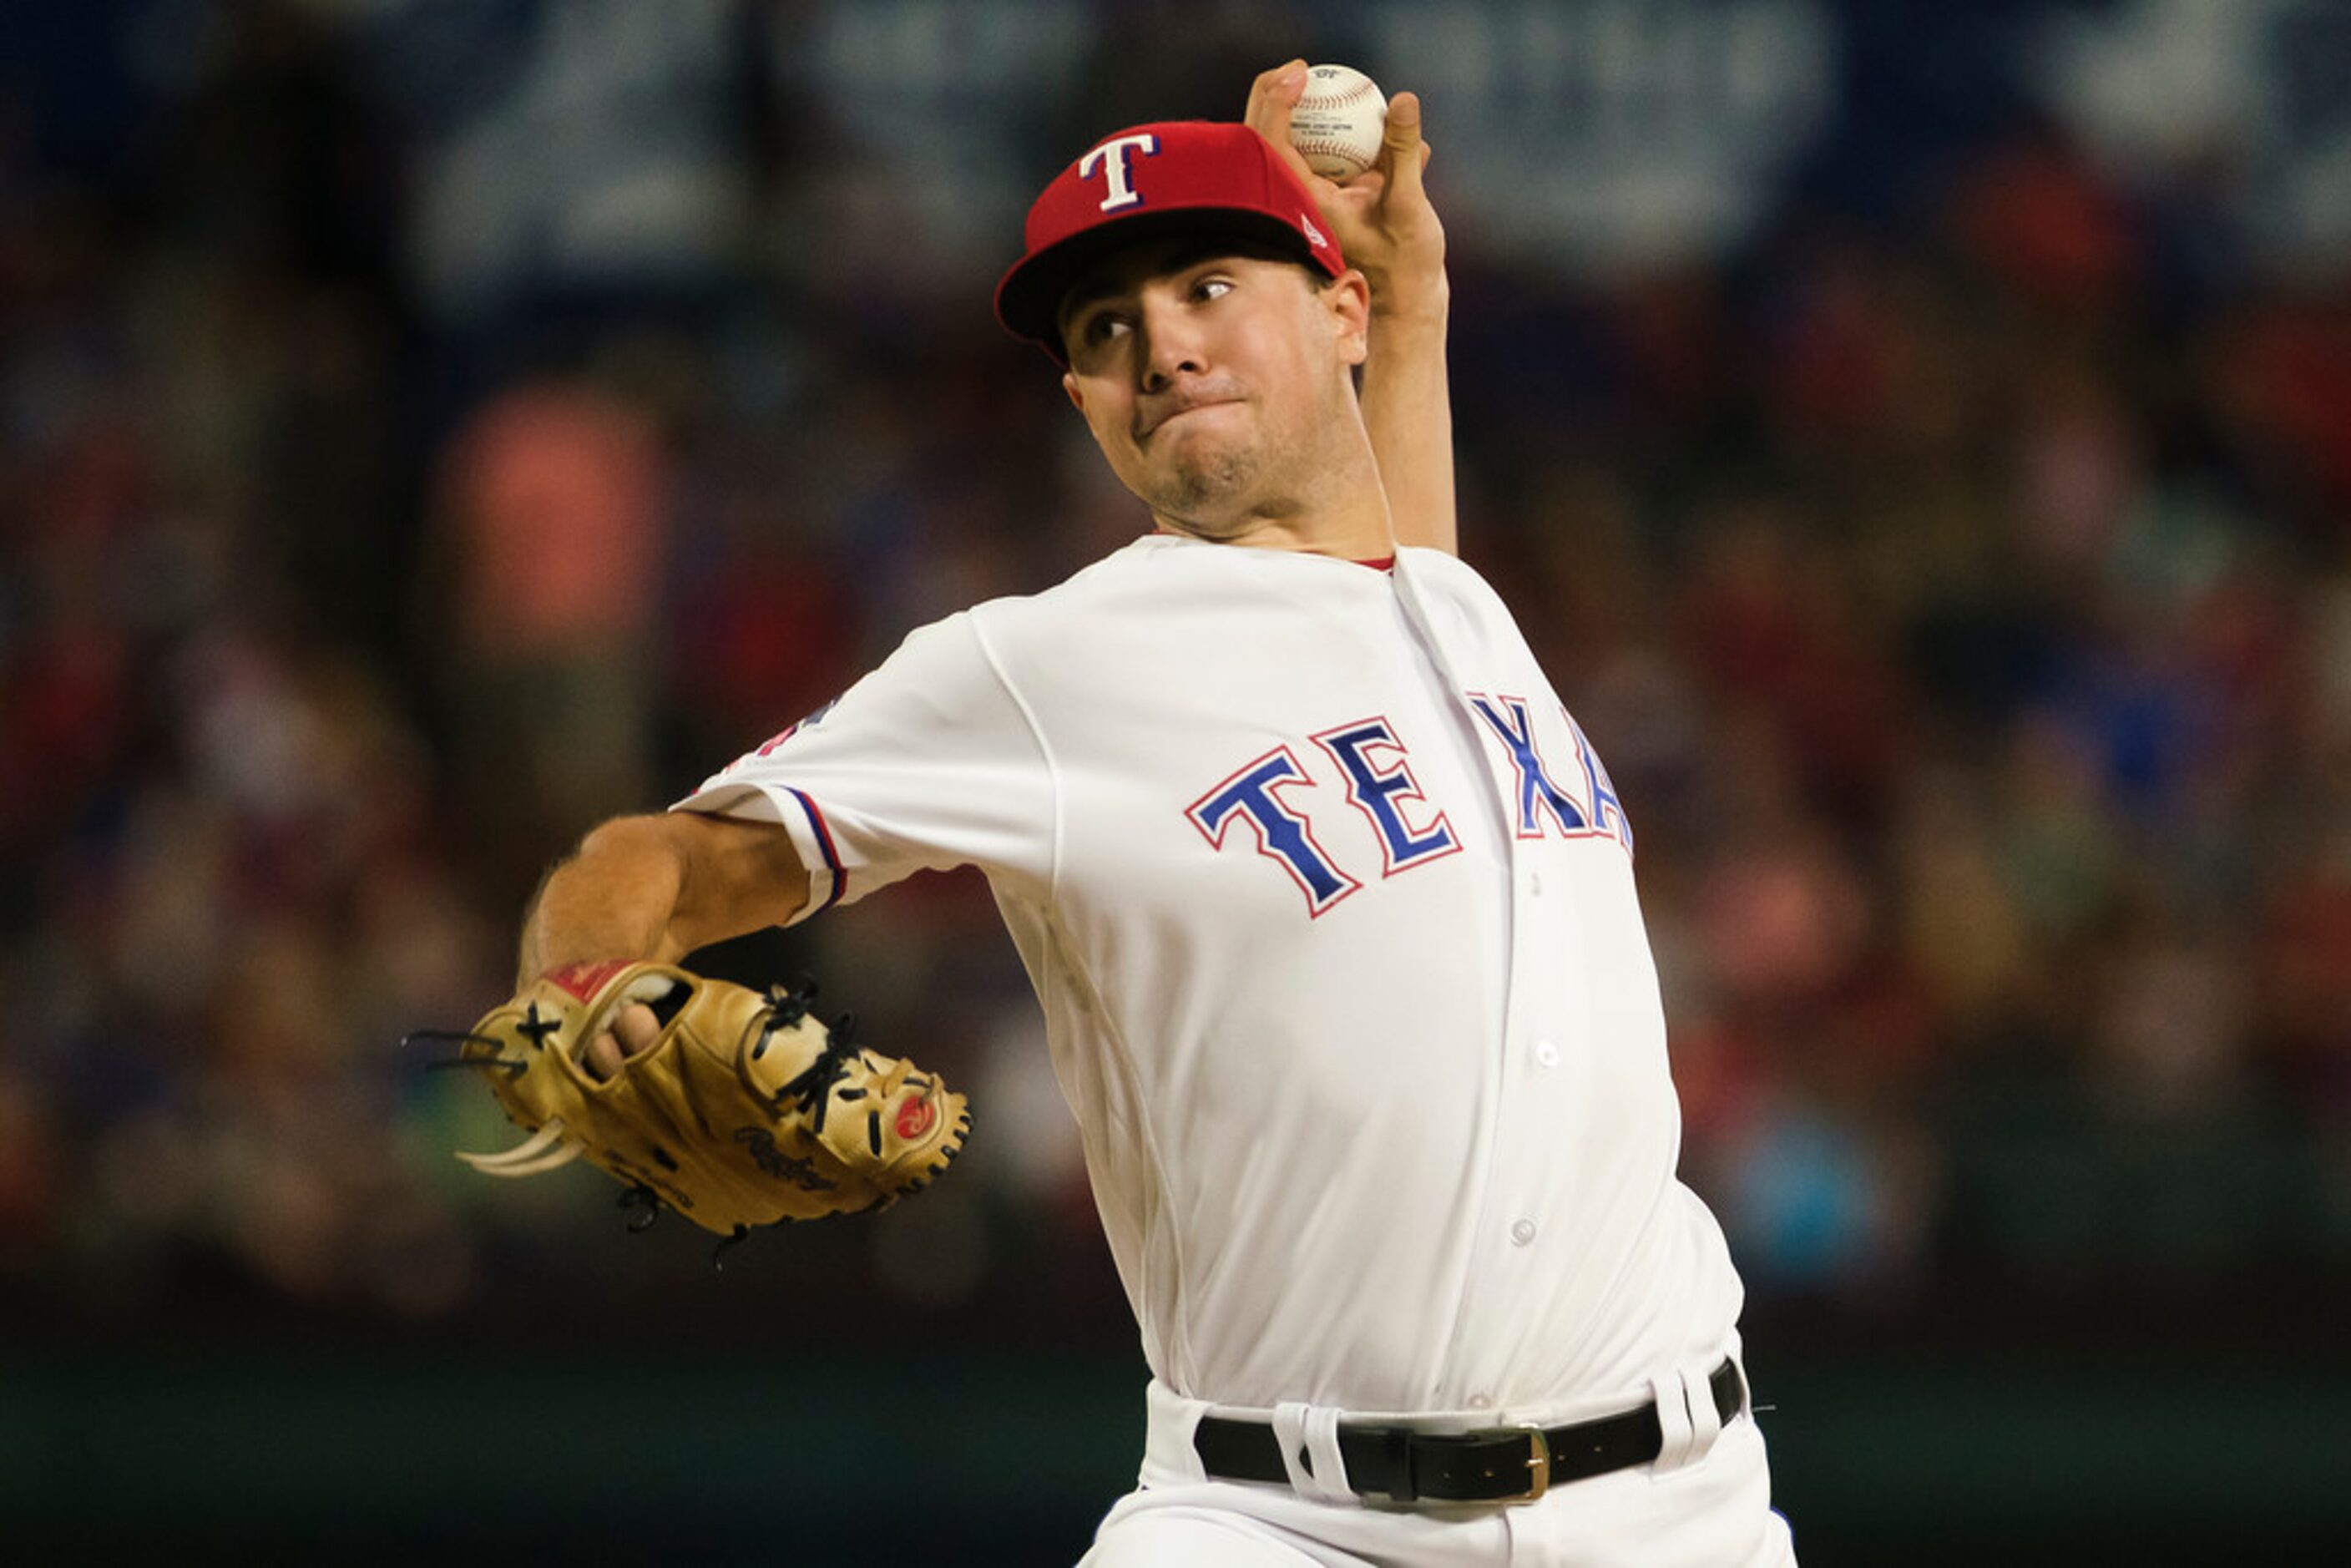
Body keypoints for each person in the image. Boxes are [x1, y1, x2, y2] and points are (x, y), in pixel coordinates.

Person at [513, 61, 1797, 1567]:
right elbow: (652, 858)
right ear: (1083, 405)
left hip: (1679, 1501)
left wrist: (1416, 302)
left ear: (1338, 317)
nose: (1163, 346)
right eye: (1108, 330)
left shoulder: (1449, 608)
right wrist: (584, 983)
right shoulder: (1046, 664)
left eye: (1205, 286)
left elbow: (1377, 577)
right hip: (1283, 1519)